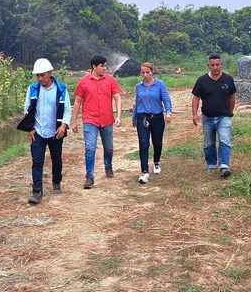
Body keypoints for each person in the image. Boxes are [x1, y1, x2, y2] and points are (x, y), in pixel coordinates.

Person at [17, 58, 71, 204]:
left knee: (56, 159)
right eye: (38, 75)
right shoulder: (33, 89)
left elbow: (67, 109)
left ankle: (56, 180)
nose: (40, 78)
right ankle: (36, 191)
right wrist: (30, 128)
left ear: (50, 73)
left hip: (55, 131)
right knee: (37, 161)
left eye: (42, 75)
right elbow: (27, 109)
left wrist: (63, 125)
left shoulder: (61, 90)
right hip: (38, 131)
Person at [71, 55, 122, 189]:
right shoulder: (83, 81)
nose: (105, 68)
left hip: (107, 119)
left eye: (105, 65)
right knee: (90, 148)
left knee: (109, 147)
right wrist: (74, 121)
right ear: (94, 67)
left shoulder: (110, 80)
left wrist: (118, 116)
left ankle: (108, 165)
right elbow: (77, 101)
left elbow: (117, 97)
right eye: (102, 66)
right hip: (90, 119)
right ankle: (89, 176)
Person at [191, 53, 237, 178]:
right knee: (208, 142)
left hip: (224, 116)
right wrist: (194, 114)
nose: (215, 67)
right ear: (208, 66)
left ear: (221, 65)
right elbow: (196, 98)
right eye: (213, 65)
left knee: (225, 139)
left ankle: (224, 165)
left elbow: (232, 97)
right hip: (208, 117)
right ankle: (211, 164)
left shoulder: (228, 79)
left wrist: (230, 111)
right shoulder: (202, 80)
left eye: (218, 64)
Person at [132, 62, 173, 184]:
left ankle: (156, 162)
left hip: (157, 117)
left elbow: (166, 100)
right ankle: (144, 171)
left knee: (157, 142)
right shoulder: (139, 86)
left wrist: (168, 113)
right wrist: (134, 117)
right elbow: (137, 102)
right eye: (143, 72)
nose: (145, 75)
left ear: (152, 72)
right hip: (142, 118)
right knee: (143, 144)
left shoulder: (160, 84)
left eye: (147, 72)